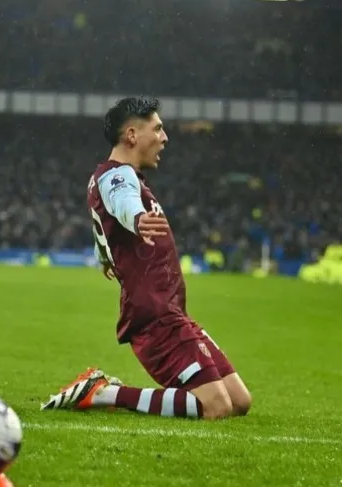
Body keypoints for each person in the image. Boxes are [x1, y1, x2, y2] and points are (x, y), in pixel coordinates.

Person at [41, 97, 252, 420]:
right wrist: (138, 218)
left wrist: (105, 256)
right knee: (216, 406)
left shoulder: (112, 177)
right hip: (155, 316)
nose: (164, 138)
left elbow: (104, 221)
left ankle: (108, 392)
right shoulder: (118, 175)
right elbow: (123, 202)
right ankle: (104, 393)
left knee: (239, 401)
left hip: (171, 311)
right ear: (131, 135)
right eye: (157, 129)